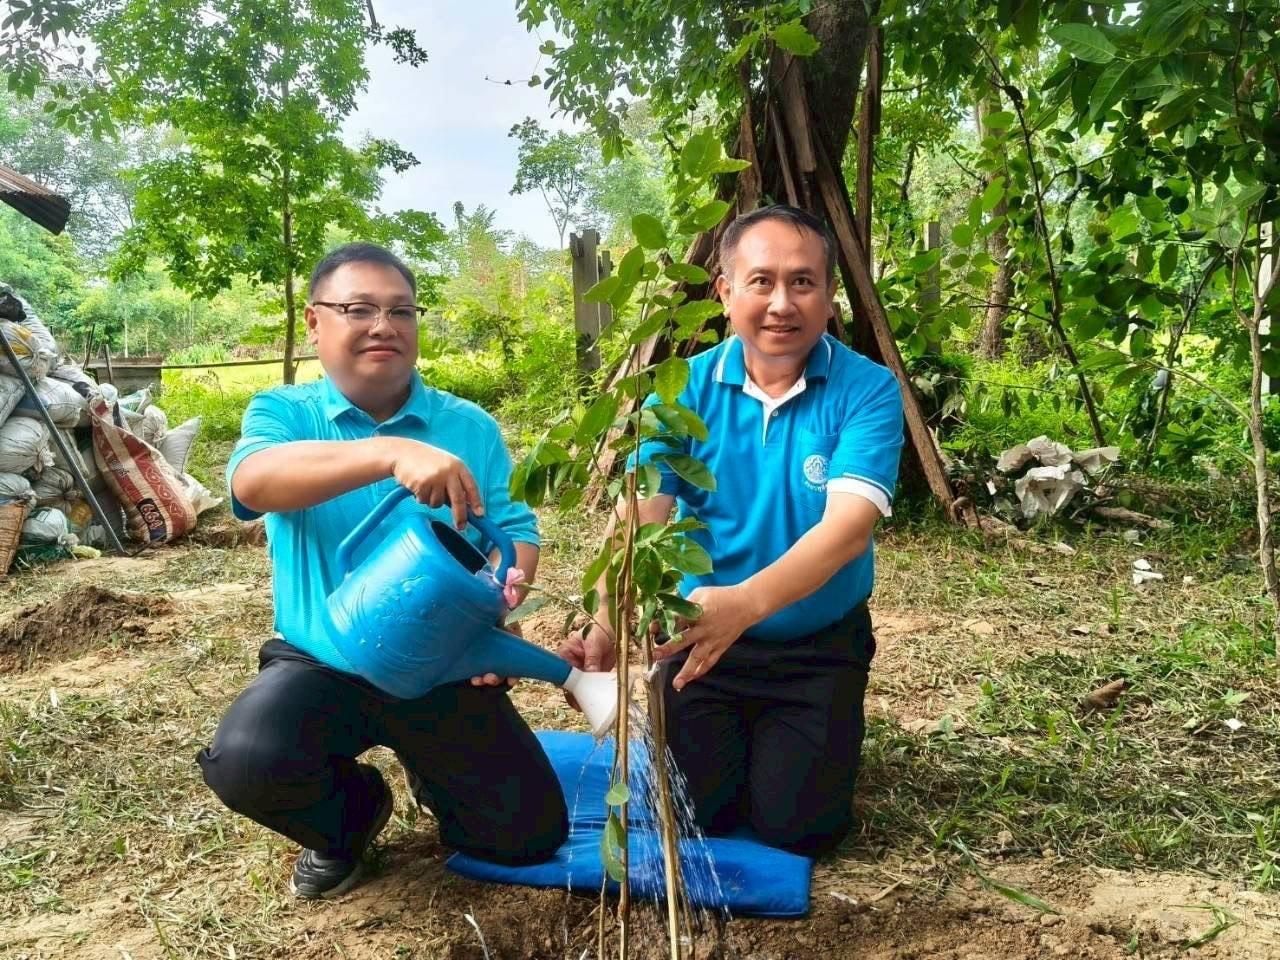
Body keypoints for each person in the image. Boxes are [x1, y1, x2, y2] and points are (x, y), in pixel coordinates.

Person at [198, 242, 567, 899]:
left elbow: (513, 533)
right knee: (250, 762)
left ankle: (437, 771)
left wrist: (498, 606)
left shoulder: (468, 426)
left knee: (524, 836)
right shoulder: (284, 413)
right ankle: (350, 820)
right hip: (322, 657)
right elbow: (253, 483)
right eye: (359, 308)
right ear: (314, 322)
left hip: (441, 662)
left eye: (401, 311)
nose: (384, 325)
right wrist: (389, 452)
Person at [561, 205, 904, 857]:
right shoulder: (679, 389)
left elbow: (847, 532)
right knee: (698, 815)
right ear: (724, 292)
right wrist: (606, 620)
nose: (782, 302)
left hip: (816, 647)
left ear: (829, 296)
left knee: (798, 829)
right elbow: (640, 516)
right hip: (699, 646)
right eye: (761, 281)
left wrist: (745, 604)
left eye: (803, 282)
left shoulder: (868, 390)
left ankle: (811, 738)